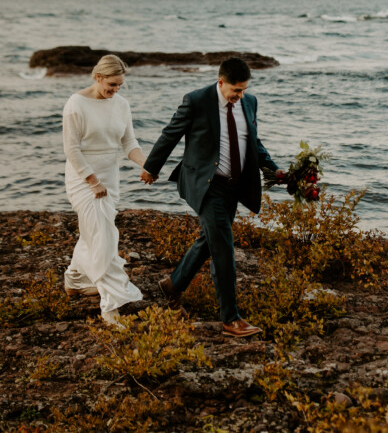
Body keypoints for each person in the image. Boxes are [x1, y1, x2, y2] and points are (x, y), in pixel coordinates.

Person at [140, 57, 281, 338]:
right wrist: (150, 167)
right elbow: (171, 134)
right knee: (224, 248)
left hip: (234, 185)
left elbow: (253, 141)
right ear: (220, 82)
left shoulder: (250, 102)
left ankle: (172, 286)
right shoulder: (196, 101)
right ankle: (230, 319)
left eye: (243, 90)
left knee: (211, 240)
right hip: (205, 184)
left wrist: (274, 169)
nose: (239, 95)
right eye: (235, 90)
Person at [62, 55, 146, 324]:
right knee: (104, 237)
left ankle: (74, 280)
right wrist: (92, 181)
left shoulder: (120, 104)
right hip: (84, 180)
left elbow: (129, 142)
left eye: (120, 85)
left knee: (95, 232)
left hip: (110, 179)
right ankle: (110, 307)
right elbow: (71, 149)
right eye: (111, 85)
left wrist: (148, 165)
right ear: (97, 77)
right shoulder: (76, 104)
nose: (115, 90)